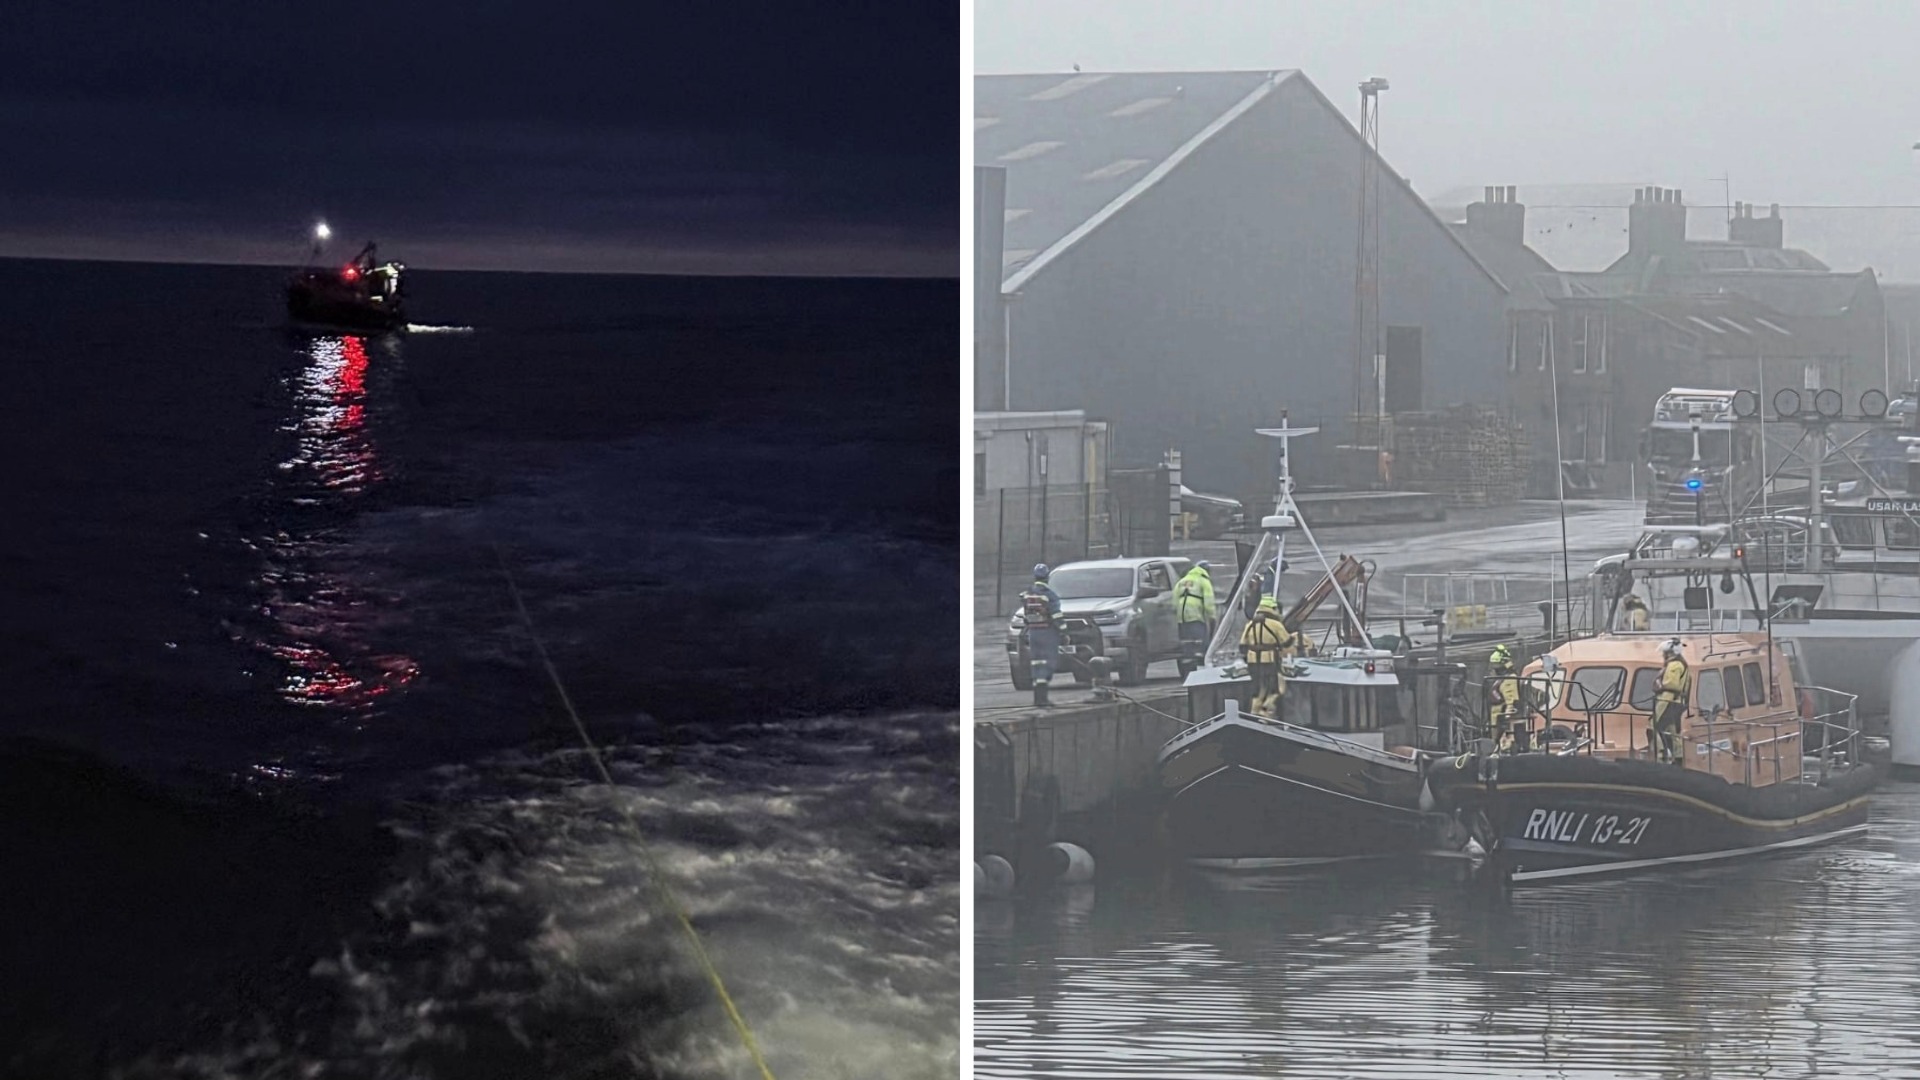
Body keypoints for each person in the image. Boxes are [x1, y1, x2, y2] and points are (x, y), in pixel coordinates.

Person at [1240, 595, 1296, 719]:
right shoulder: (1275, 625)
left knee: (1258, 690)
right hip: (1270, 661)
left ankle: (1254, 712)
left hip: (1252, 662)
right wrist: (1293, 638)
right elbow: (1286, 642)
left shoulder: (1249, 624)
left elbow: (1242, 645)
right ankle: (1267, 709)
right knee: (1274, 689)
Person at [1021, 564, 1063, 707]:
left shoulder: (1028, 593)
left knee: (1036, 664)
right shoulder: (1049, 594)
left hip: (1033, 633)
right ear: (1047, 577)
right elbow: (1056, 615)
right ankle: (1043, 699)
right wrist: (1063, 631)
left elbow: (1026, 614)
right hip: (1047, 633)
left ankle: (1037, 699)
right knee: (1047, 664)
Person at [1651, 637, 1690, 764]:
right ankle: (1678, 756)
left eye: (1664, 653)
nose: (1663, 655)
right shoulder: (1681, 664)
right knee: (1672, 729)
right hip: (1676, 701)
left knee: (1653, 726)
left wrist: (1660, 685)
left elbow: (1672, 684)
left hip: (1668, 701)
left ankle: (1662, 754)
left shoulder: (1674, 665)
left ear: (1670, 653)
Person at [1173, 561, 1217, 667]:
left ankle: (1187, 668)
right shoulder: (1203, 581)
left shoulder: (1182, 581)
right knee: (1200, 643)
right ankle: (1201, 666)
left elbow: (1174, 600)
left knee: (1186, 643)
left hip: (1182, 617)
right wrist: (1212, 617)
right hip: (1195, 616)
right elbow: (1209, 601)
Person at [1488, 643, 1522, 751]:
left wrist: (1507, 726)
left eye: (1496, 665)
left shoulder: (1509, 679)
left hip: (1500, 721)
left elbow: (1511, 703)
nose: (1494, 668)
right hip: (1495, 720)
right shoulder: (1501, 679)